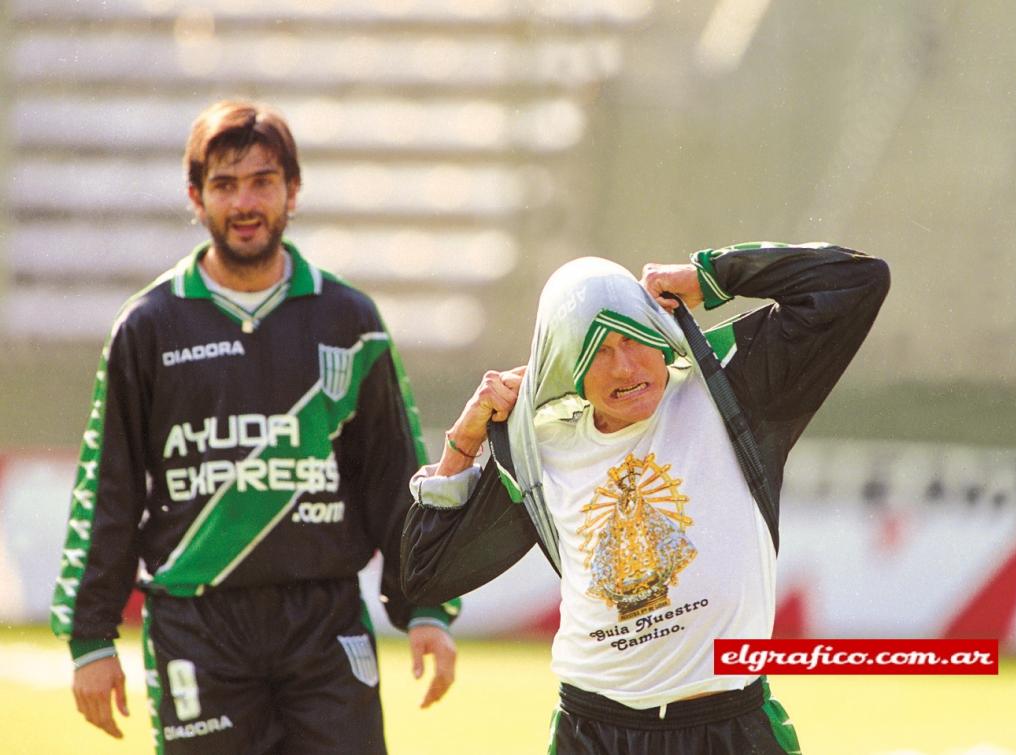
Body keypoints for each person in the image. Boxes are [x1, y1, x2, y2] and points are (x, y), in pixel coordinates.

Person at [50, 100, 458, 754]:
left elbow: (394, 477)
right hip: (198, 628)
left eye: (263, 180)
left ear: (292, 190)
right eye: (224, 184)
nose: (245, 201)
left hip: (324, 624)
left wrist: (427, 607)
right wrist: (91, 635)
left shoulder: (349, 320)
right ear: (196, 196)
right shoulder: (148, 326)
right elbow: (110, 485)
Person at [402, 243, 889, 753]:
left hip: (730, 723)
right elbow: (426, 573)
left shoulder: (730, 386)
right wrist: (462, 444)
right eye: (600, 352)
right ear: (567, 366)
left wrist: (713, 276)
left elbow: (859, 281)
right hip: (592, 731)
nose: (626, 368)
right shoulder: (535, 446)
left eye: (636, 338)